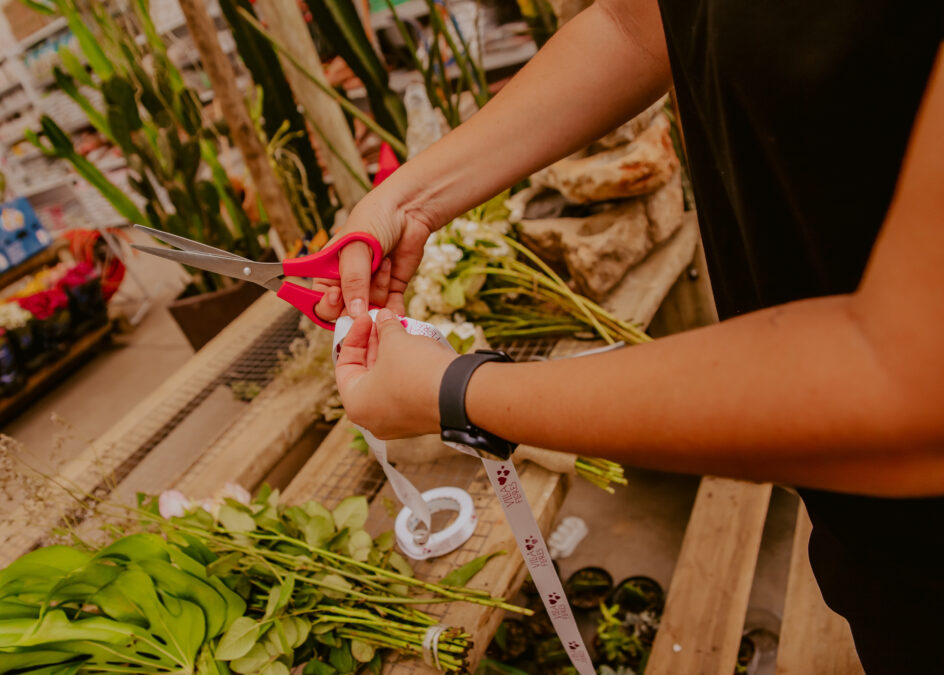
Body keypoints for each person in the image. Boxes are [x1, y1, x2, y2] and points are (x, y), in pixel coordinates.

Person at [313, 1, 942, 671]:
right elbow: (637, 24)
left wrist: (460, 390)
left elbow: (901, 385)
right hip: (869, 538)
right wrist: (407, 201)